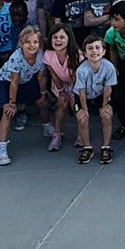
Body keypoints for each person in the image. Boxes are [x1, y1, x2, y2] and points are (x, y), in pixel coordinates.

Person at [0, 26, 46, 166]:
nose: (32, 45)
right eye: (27, 42)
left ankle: (47, 126)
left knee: (42, 102)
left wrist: (43, 93)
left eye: (35, 42)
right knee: (8, 112)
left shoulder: (41, 55)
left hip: (27, 79)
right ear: (21, 44)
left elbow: (41, 76)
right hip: (7, 82)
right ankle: (2, 148)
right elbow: (14, 82)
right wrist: (12, 102)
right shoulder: (15, 58)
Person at [74, 35, 117, 165]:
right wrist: (84, 109)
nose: (94, 51)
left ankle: (106, 147)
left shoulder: (109, 67)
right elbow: (81, 92)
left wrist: (104, 106)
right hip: (83, 96)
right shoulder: (81, 70)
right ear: (85, 53)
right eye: (90, 48)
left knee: (106, 115)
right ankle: (87, 147)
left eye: (97, 47)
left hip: (100, 95)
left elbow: (108, 89)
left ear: (104, 51)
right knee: (82, 118)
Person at [40, 23, 81, 152]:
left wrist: (73, 94)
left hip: (77, 84)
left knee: (76, 106)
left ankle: (81, 134)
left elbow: (76, 77)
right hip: (60, 83)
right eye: (55, 37)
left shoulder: (76, 55)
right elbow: (53, 74)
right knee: (62, 106)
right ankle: (57, 134)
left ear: (69, 39)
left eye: (62, 37)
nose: (58, 40)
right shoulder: (48, 55)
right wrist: (62, 92)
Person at [104, 1, 125, 141]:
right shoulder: (111, 33)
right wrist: (114, 69)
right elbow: (112, 49)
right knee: (120, 97)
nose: (113, 23)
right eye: (111, 19)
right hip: (121, 65)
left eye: (117, 19)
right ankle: (124, 125)